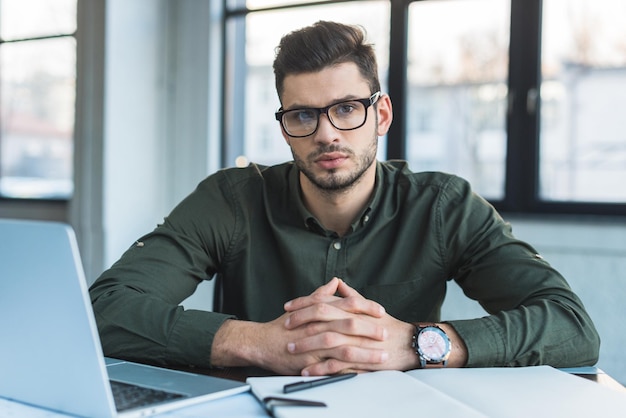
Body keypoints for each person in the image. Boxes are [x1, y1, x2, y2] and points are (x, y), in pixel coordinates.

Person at [89, 21, 600, 377]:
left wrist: (416, 343)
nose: (327, 133)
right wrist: (259, 342)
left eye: (347, 108)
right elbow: (104, 309)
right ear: (286, 127)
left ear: (381, 115)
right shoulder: (232, 199)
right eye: (303, 115)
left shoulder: (443, 205)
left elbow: (571, 328)